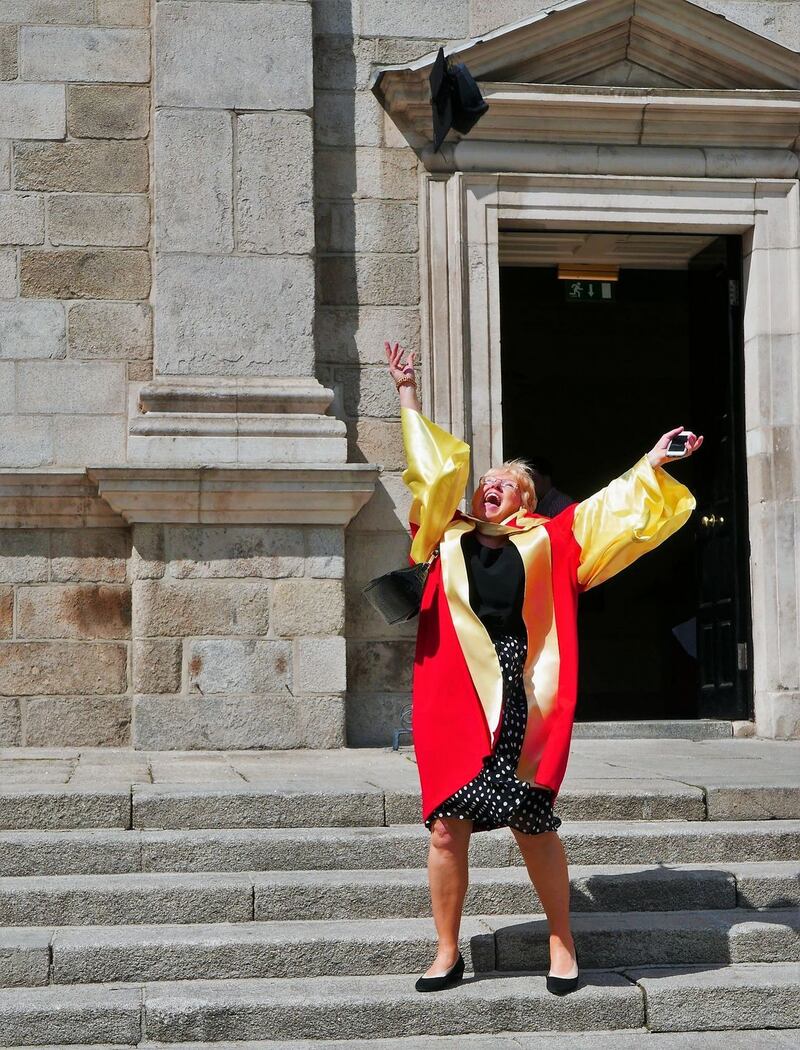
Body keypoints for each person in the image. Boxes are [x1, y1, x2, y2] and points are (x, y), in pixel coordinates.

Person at [383, 340, 703, 995]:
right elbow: (430, 472)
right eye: (487, 480)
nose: (491, 485)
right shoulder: (441, 536)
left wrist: (651, 461)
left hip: (525, 692)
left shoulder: (552, 540)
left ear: (526, 501)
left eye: (507, 482)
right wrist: (406, 394)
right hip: (454, 695)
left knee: (530, 822)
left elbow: (611, 507)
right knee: (445, 828)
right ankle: (446, 951)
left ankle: (562, 941)